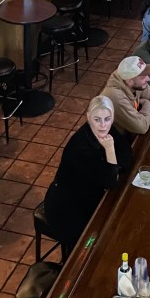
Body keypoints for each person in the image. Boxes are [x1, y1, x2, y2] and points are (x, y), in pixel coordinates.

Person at [44, 95, 133, 252]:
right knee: (90, 249)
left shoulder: (106, 128)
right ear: (88, 118)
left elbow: (127, 154)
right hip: (66, 207)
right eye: (97, 119)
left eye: (107, 118)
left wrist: (114, 166)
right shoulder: (80, 148)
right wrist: (110, 150)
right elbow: (111, 182)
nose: (103, 125)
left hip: (88, 196)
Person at [102, 56, 150, 135]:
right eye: (143, 77)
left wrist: (142, 119)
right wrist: (147, 104)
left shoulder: (134, 82)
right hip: (112, 140)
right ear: (130, 81)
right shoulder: (116, 97)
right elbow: (142, 128)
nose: (148, 79)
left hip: (129, 133)